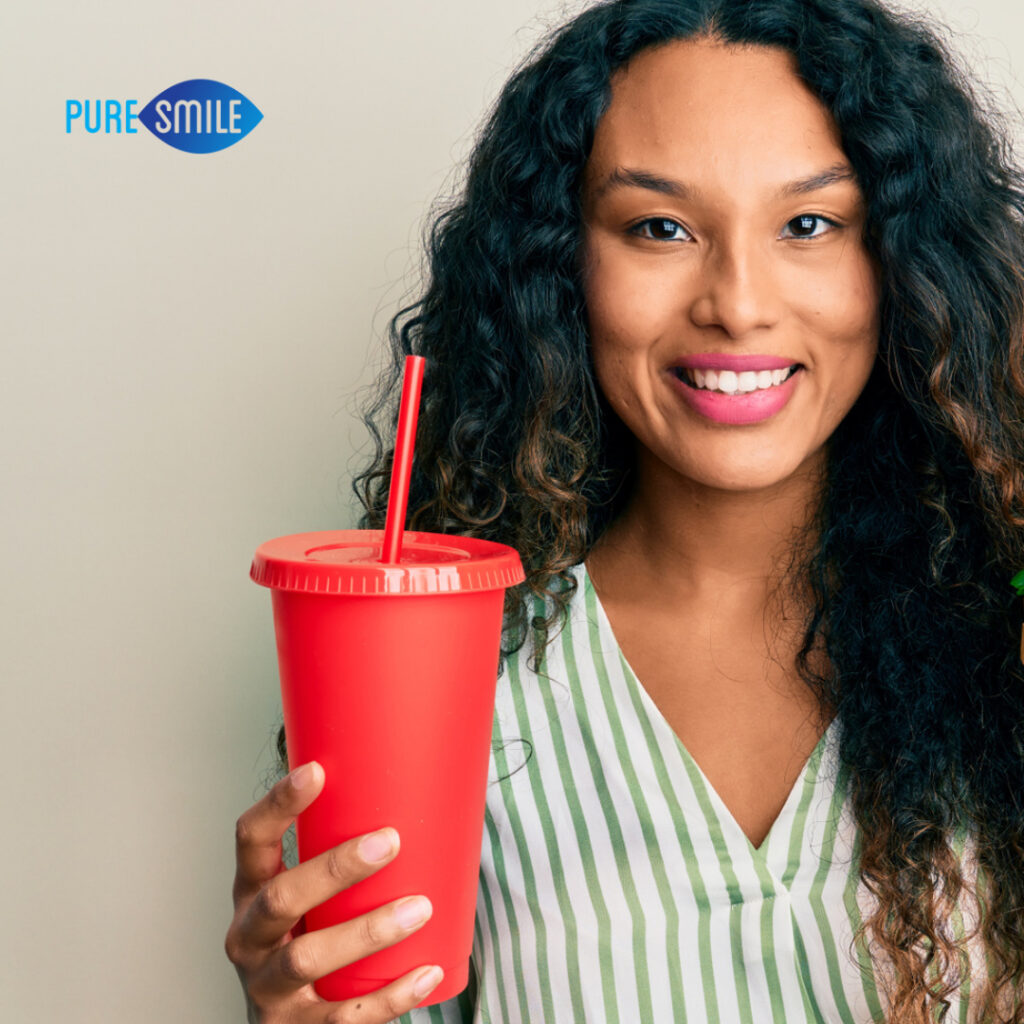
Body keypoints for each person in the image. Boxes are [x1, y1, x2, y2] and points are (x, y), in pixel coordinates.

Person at [224, 0, 1024, 1020]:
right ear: (565, 269)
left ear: (902, 266)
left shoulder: (1001, 632)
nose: (736, 301)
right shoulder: (463, 678)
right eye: (659, 227)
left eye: (809, 224)